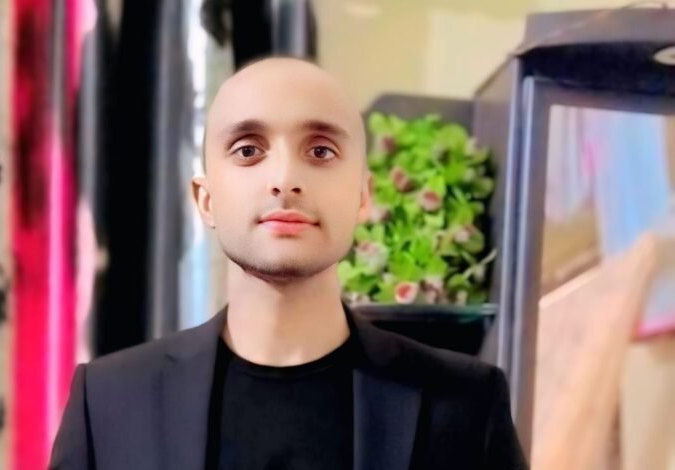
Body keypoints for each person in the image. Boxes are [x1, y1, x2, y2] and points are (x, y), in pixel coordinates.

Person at [49, 57, 528, 470]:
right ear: (206, 199)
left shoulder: (466, 403)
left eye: (320, 151)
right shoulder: (108, 403)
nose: (284, 178)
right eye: (248, 150)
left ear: (363, 196)